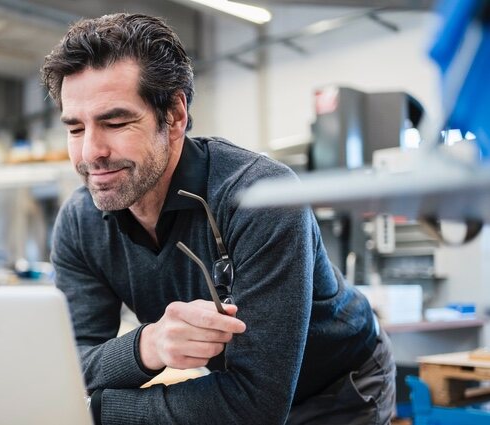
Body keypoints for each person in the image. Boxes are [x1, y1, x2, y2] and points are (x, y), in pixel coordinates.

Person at [42, 13, 395, 425]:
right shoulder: (81, 221)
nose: (89, 154)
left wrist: (96, 411)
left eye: (115, 122)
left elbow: (254, 407)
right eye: (75, 129)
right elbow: (70, 365)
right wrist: (146, 346)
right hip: (229, 389)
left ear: (174, 115)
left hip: (339, 388)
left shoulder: (260, 197)